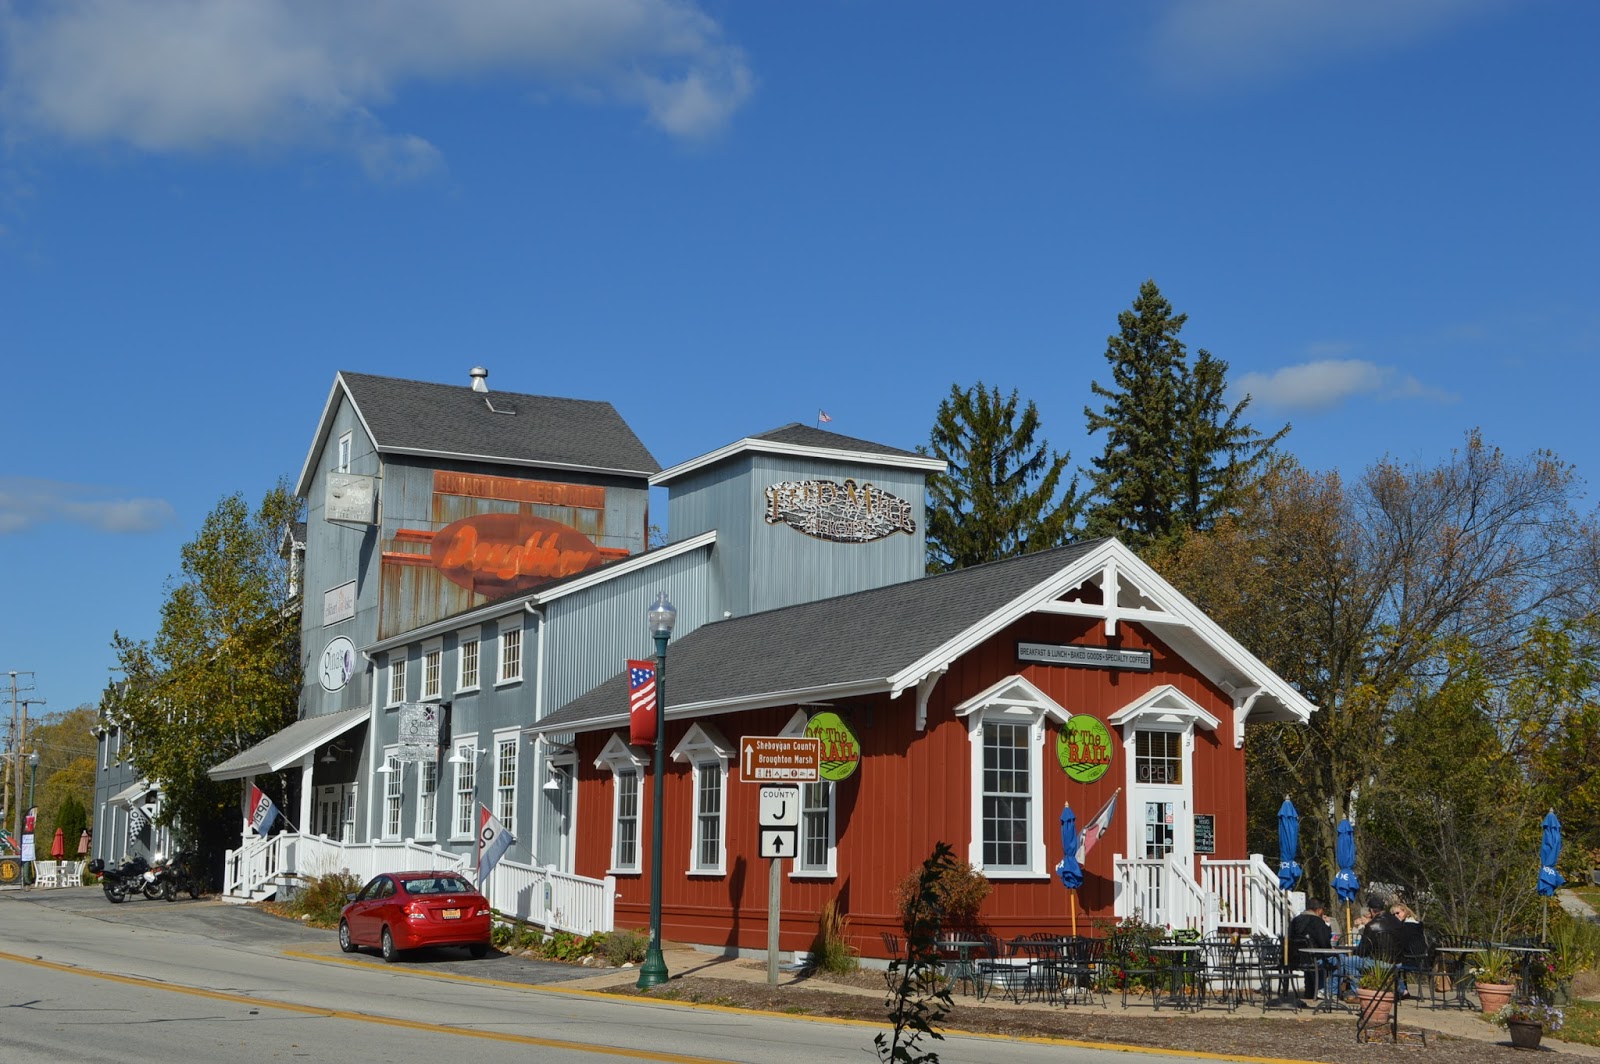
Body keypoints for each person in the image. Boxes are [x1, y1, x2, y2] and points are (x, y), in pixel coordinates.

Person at [1339, 895, 1402, 1002]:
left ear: (1371, 911)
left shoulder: (1371, 925)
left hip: (1379, 963)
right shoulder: (1397, 922)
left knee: (1348, 961)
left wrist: (1354, 951)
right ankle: (1395, 991)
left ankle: (1358, 992)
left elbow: (1363, 951)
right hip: (1397, 962)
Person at [1289, 897, 1335, 999]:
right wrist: (1327, 925)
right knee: (1338, 960)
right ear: (1319, 910)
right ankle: (1329, 991)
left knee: (1313, 961)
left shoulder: (1295, 920)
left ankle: (1310, 990)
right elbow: (1325, 944)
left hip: (1295, 958)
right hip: (1314, 959)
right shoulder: (1317, 922)